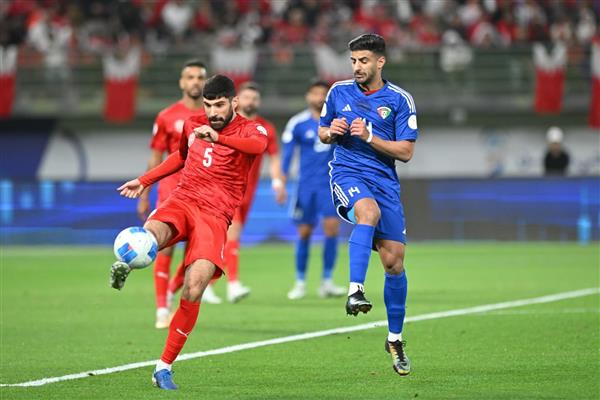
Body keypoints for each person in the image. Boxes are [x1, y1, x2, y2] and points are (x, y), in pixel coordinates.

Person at [110, 75, 269, 390]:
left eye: (219, 105)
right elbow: (180, 157)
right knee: (151, 232)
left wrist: (218, 138)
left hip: (214, 216)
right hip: (183, 200)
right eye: (209, 106)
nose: (213, 113)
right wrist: (145, 180)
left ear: (234, 103)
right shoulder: (191, 125)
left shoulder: (251, 129)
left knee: (195, 287)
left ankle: (163, 367)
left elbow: (258, 146)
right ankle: (126, 262)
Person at [318, 33, 417, 376]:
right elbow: (322, 132)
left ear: (380, 62)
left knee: (394, 263)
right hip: (346, 174)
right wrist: (332, 131)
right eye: (354, 61)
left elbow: (406, 152)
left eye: (363, 61)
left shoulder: (400, 99)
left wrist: (370, 136)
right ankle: (355, 290)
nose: (357, 67)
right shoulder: (338, 92)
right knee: (368, 212)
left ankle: (394, 338)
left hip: (384, 182)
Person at [166, 81, 286, 304]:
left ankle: (178, 287)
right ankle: (233, 284)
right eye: (247, 97)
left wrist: (278, 181)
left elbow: (274, 156)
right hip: (221, 192)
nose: (251, 102)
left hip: (246, 192)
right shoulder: (219, 126)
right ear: (237, 100)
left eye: (254, 98)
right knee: (231, 237)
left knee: (218, 245)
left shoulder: (263, 128)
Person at [137, 59, 207, 329]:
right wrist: (145, 191)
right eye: (190, 77)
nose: (195, 82)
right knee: (163, 250)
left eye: (200, 77)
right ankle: (161, 309)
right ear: (181, 82)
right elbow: (156, 157)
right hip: (171, 193)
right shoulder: (167, 116)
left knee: (197, 256)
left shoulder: (213, 117)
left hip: (203, 195)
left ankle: (169, 293)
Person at [281, 79, 345, 300]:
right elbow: (287, 155)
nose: (319, 98)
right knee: (305, 232)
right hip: (305, 186)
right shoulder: (298, 123)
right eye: (315, 93)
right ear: (308, 96)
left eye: (323, 94)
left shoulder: (339, 122)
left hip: (331, 186)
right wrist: (281, 182)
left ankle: (326, 281)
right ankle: (300, 282)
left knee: (331, 229)